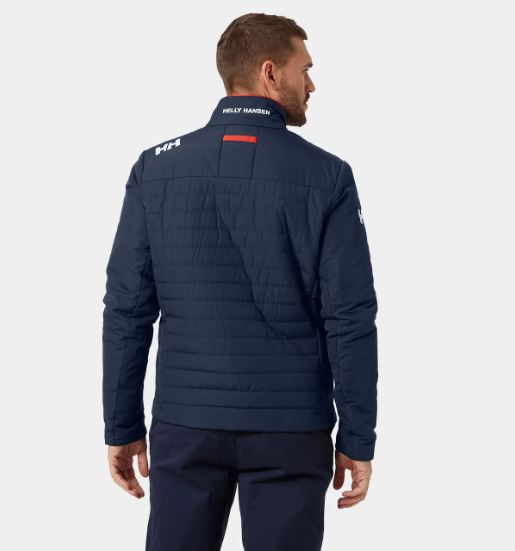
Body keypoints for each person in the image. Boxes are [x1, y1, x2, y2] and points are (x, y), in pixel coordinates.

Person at [102, 12, 378, 551]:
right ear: (270, 73)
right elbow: (349, 317)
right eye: (305, 69)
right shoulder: (327, 176)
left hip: (186, 424)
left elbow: (127, 309)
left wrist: (122, 424)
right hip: (291, 430)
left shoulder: (155, 169)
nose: (312, 84)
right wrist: (357, 436)